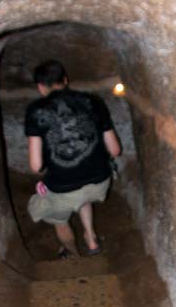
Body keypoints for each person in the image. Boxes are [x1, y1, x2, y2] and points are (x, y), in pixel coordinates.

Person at [24, 59, 121, 258]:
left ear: (41, 87)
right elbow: (115, 150)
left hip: (64, 188)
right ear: (65, 80)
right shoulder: (94, 102)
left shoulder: (35, 111)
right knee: (82, 195)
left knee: (56, 216)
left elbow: (36, 166)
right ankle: (91, 240)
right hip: (99, 182)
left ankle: (73, 254)